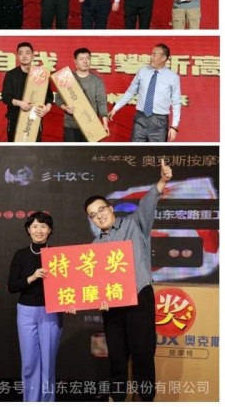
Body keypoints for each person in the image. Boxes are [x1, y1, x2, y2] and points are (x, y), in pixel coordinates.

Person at [83, 160, 173, 402]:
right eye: (93, 215)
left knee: (143, 354)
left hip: (139, 297)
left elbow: (147, 204)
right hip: (111, 305)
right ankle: (117, 398)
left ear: (110, 208)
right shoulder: (94, 245)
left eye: (101, 210)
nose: (99, 216)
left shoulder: (134, 224)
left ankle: (145, 399)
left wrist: (162, 181)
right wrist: (94, 298)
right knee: (116, 356)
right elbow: (92, 281)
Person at [7, 211, 62, 402]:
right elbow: (12, 286)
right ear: (28, 230)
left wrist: (70, 303)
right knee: (29, 363)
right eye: (35, 226)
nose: (39, 230)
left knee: (48, 363)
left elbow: (67, 286)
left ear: (50, 230)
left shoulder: (58, 255)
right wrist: (32, 277)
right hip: (26, 312)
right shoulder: (20, 254)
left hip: (51, 312)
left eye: (43, 226)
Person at [108, 43, 181, 142]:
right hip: (140, 119)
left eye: (154, 54)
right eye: (151, 54)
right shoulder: (143, 71)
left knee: (157, 152)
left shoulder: (173, 77)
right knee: (136, 150)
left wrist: (174, 126)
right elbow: (130, 92)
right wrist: (115, 109)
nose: (151, 57)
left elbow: (176, 102)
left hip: (159, 123)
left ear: (163, 58)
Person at [1, 42, 53, 142]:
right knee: (15, 149)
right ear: (17, 56)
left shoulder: (40, 74)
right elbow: (5, 97)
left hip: (35, 119)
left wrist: (47, 109)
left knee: (34, 150)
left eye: (27, 53)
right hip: (15, 119)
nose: (24, 56)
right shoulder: (11, 74)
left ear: (33, 55)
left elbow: (49, 97)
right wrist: (19, 103)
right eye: (21, 53)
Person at [56, 47, 109, 142]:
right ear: (75, 61)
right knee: (71, 151)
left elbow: (102, 102)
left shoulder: (97, 81)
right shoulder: (67, 79)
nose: (85, 61)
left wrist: (105, 123)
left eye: (88, 58)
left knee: (89, 152)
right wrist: (65, 108)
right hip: (71, 125)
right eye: (82, 59)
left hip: (91, 125)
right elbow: (58, 99)